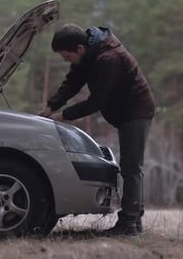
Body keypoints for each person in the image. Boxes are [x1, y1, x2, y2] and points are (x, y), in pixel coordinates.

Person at [39, 24, 155, 236]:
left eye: (67, 56)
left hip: (136, 111)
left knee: (131, 167)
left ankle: (129, 224)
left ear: (80, 48)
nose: (66, 60)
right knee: (131, 167)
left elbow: (96, 102)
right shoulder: (89, 54)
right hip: (124, 112)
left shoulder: (108, 59)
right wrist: (51, 106)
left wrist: (63, 116)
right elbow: (73, 82)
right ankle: (134, 222)